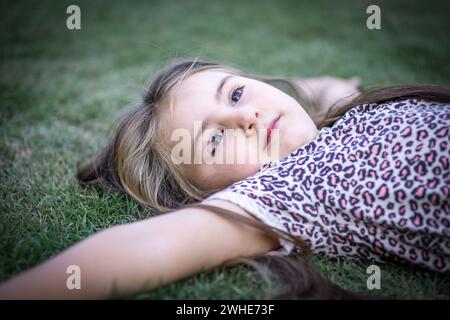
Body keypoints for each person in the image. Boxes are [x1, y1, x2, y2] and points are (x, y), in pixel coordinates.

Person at [0, 58, 448, 299]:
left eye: (235, 92)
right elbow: (142, 246)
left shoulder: (344, 116)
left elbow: (330, 91)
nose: (246, 117)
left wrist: (320, 86)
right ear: (212, 194)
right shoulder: (281, 194)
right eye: (214, 141)